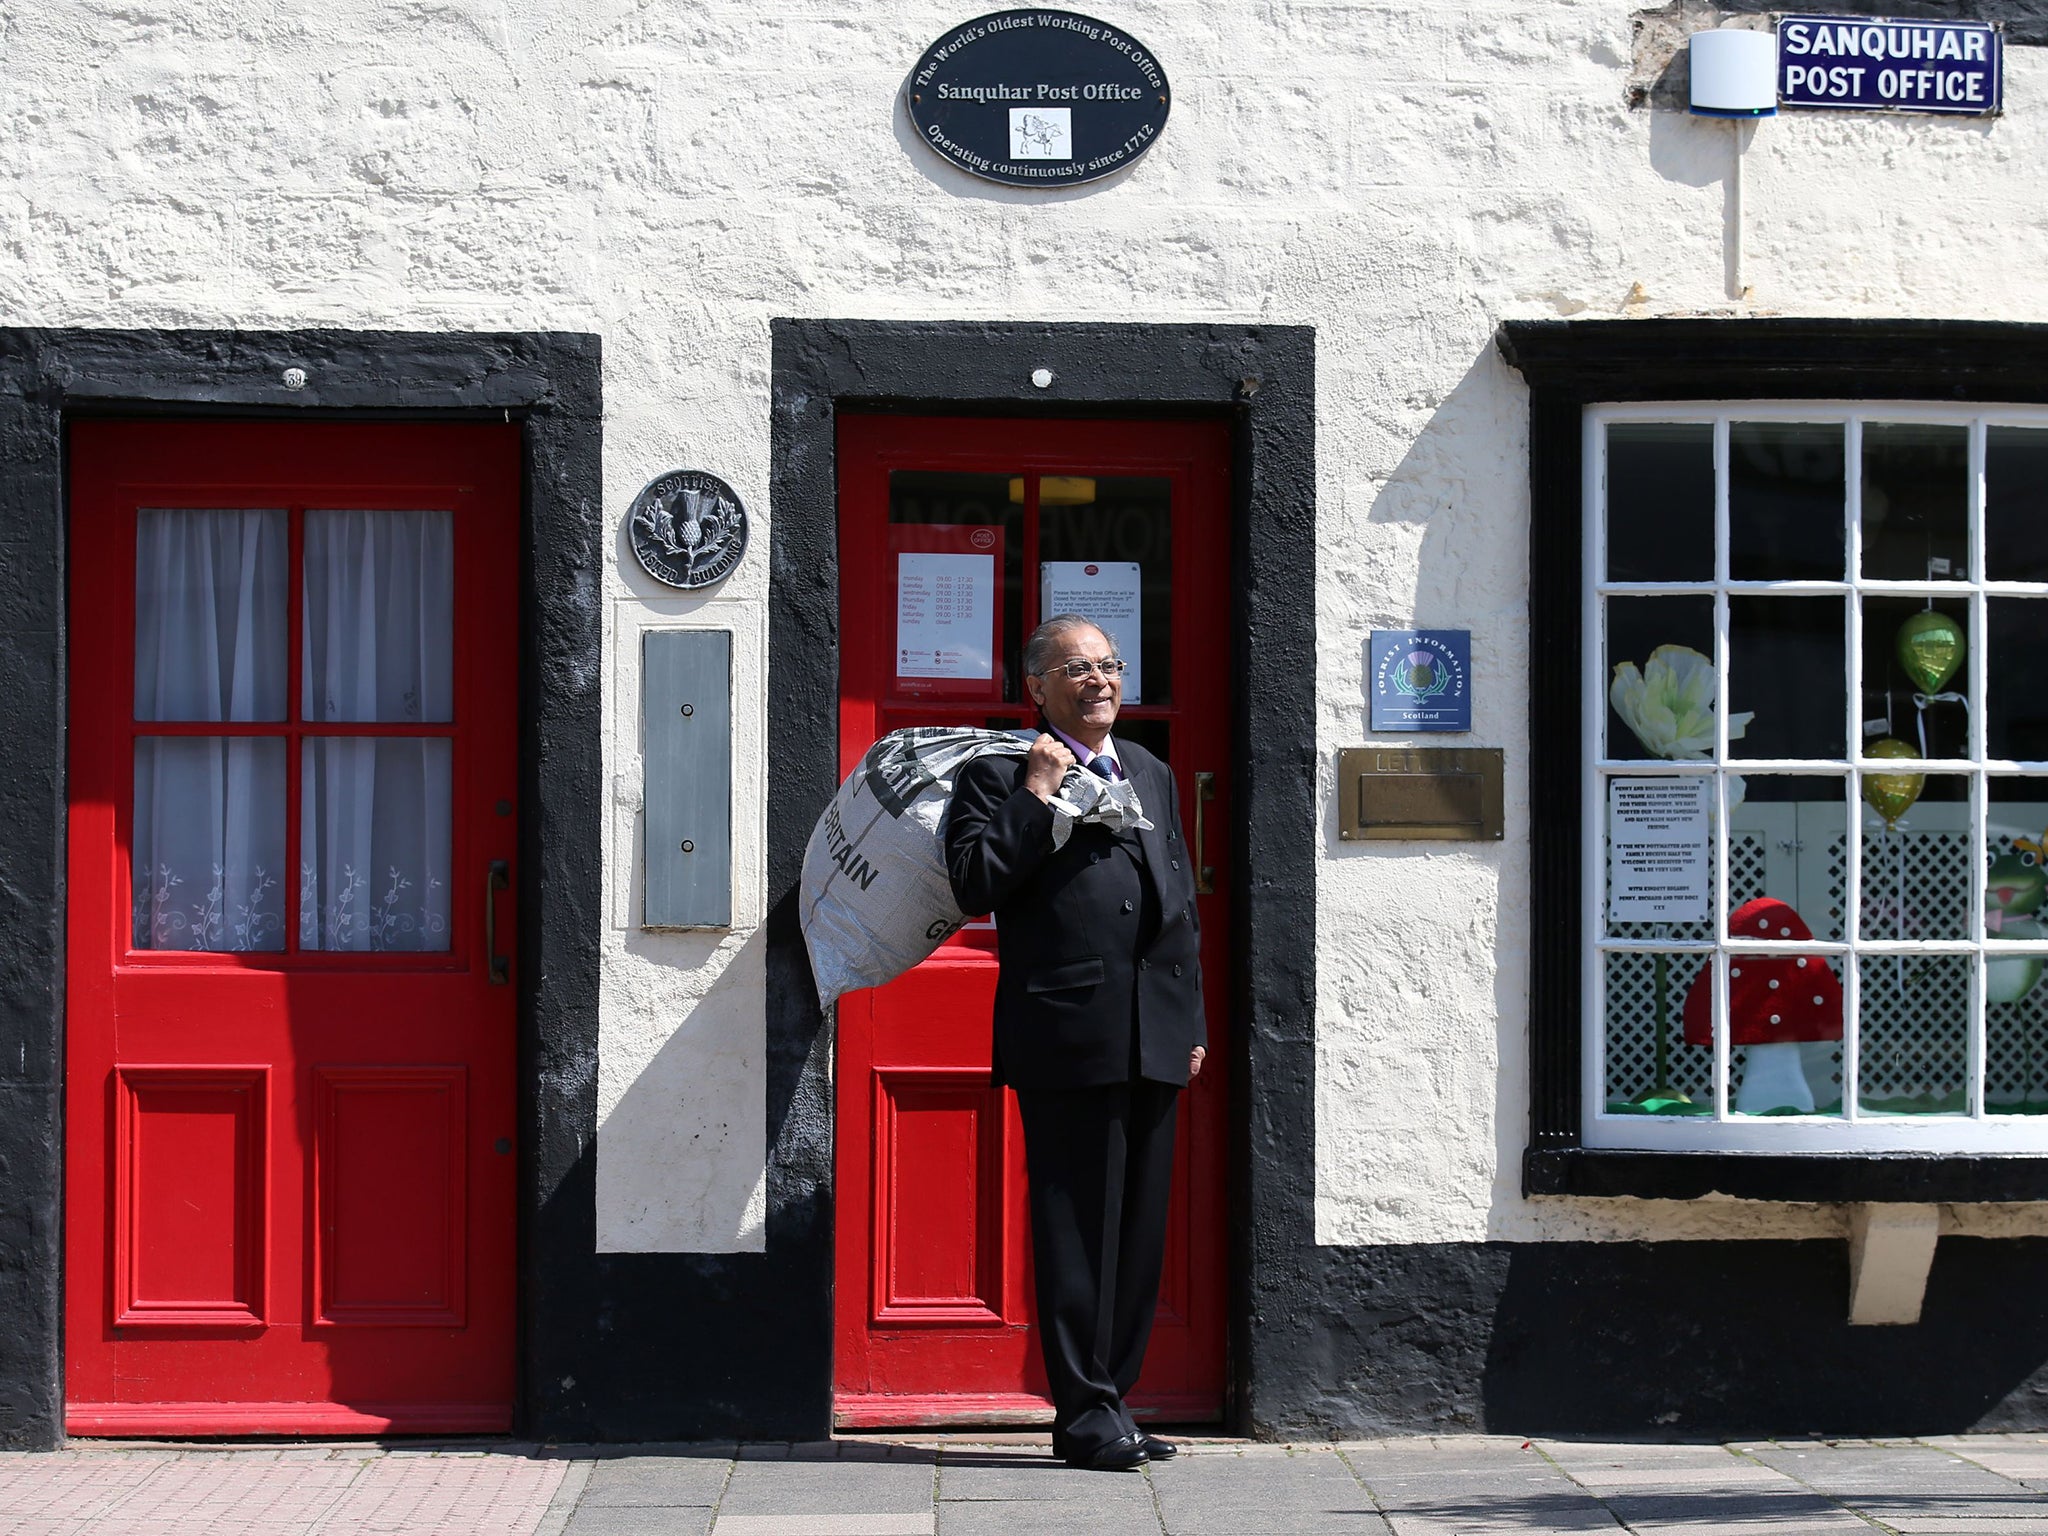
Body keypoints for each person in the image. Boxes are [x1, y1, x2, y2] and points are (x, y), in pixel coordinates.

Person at [944, 614, 1206, 1471]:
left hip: (1155, 1034)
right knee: (1076, 1232)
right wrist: (1036, 795)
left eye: (1110, 665)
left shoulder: (1154, 775)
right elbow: (976, 881)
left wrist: (1192, 1022)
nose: (1099, 680)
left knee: (1137, 1234)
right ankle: (1084, 1415)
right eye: (1077, 668)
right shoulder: (998, 773)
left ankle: (1113, 1403)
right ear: (1038, 689)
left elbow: (1177, 901)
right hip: (1066, 1032)